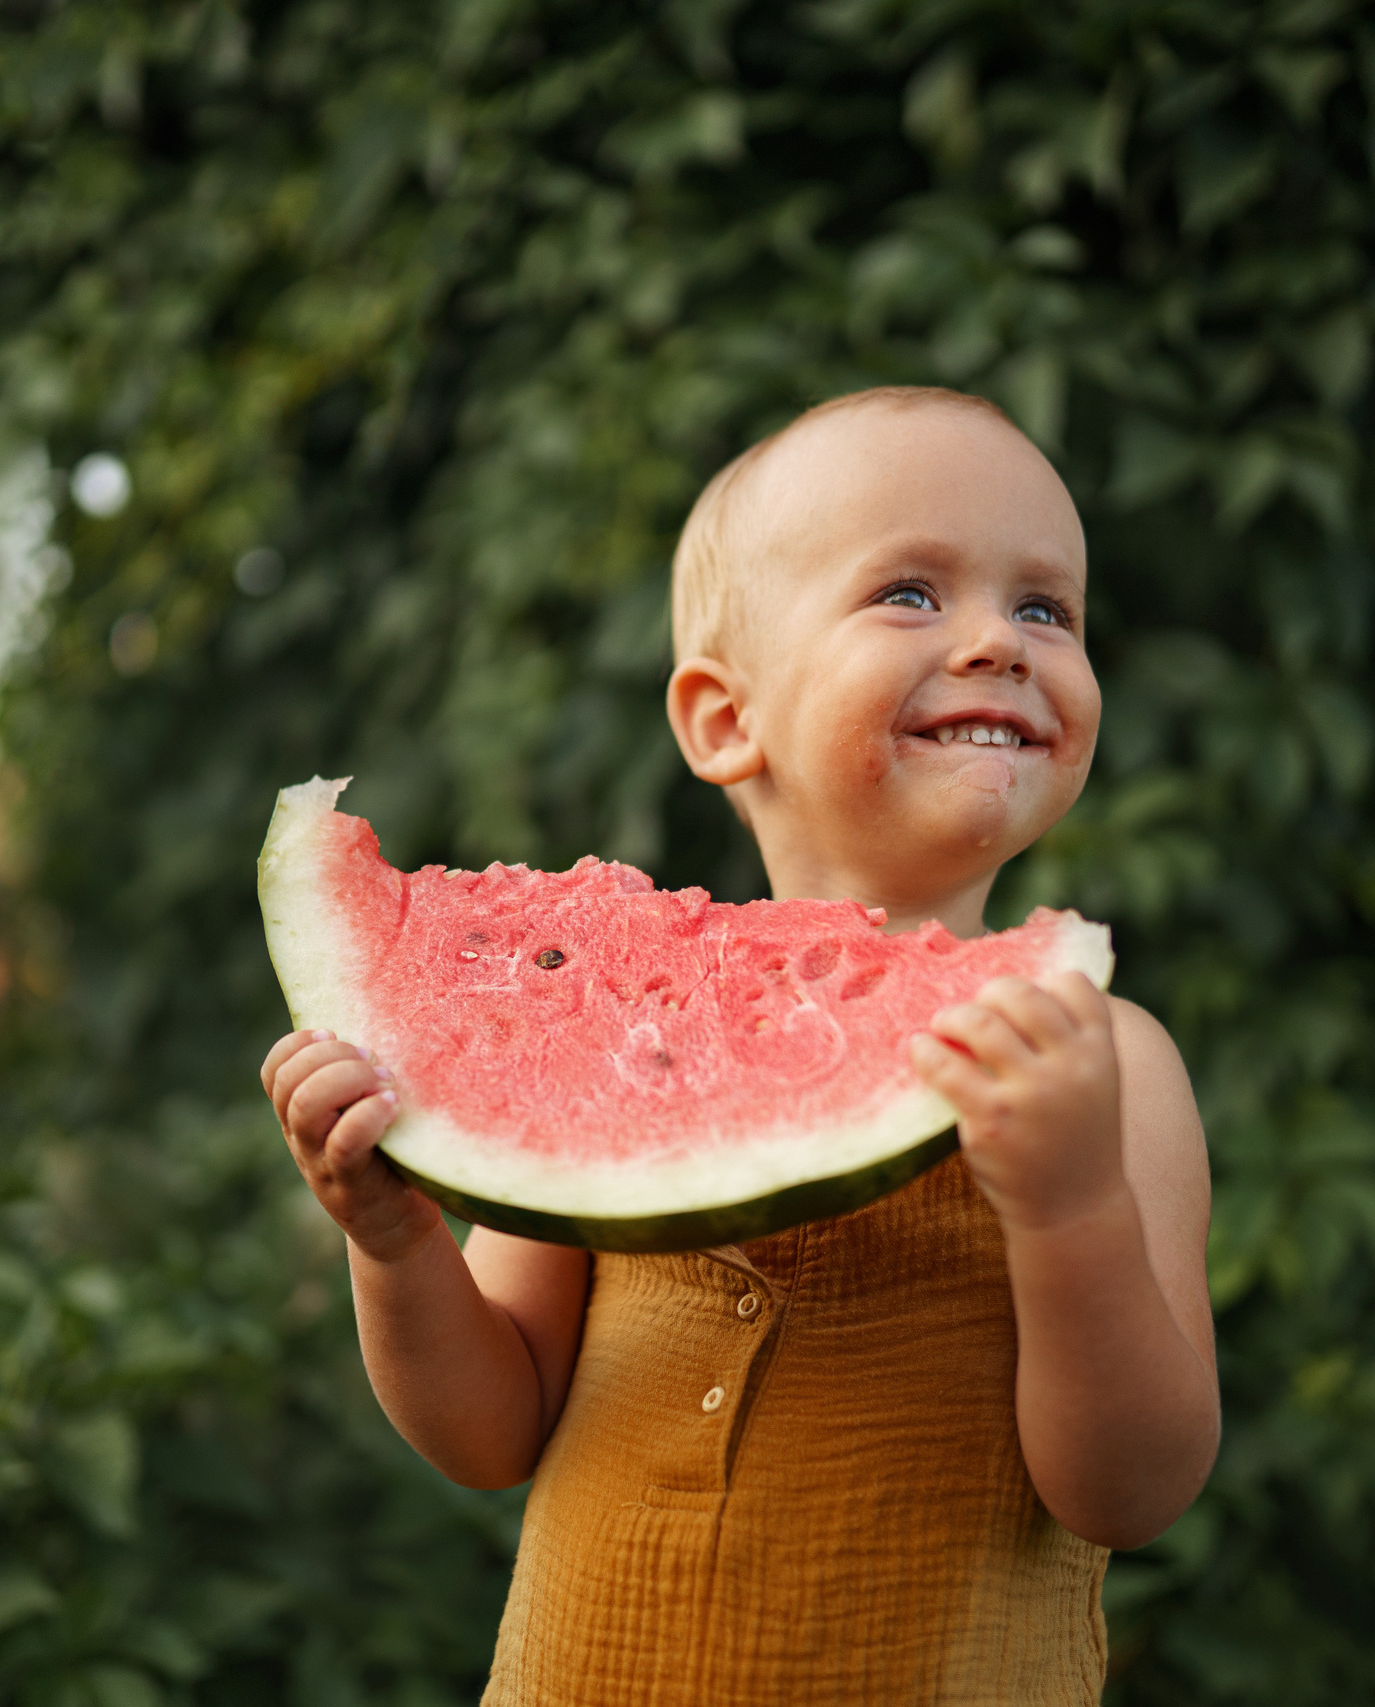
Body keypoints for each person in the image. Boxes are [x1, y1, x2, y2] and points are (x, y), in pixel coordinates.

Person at [261, 386, 1219, 1703]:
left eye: (1047, 608)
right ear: (725, 718)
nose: (1000, 639)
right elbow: (494, 1427)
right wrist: (396, 1244)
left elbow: (1133, 1487)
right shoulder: (607, 1035)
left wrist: (1070, 1212)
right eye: (912, 595)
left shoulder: (1106, 1061)